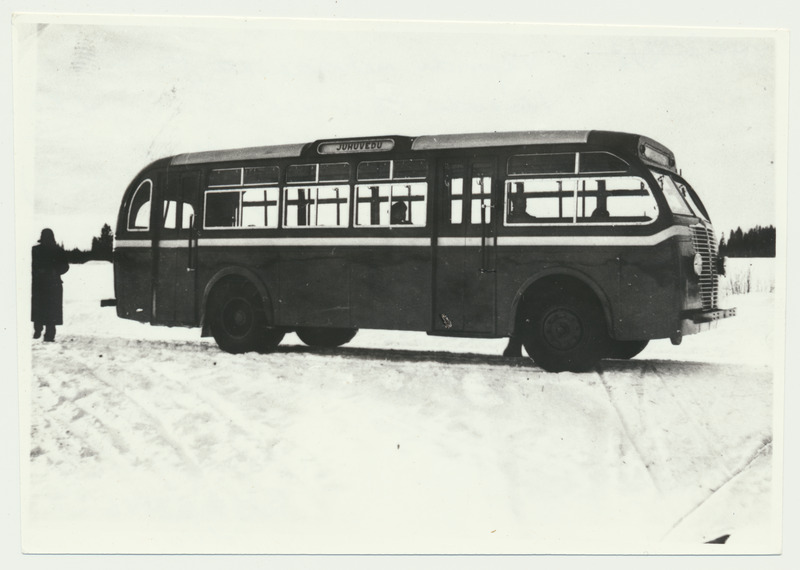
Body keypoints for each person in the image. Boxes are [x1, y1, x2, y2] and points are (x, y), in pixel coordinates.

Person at [31, 228, 69, 342]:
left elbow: (65, 267)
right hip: (51, 284)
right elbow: (65, 267)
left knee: (41, 308)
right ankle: (47, 333)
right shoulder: (57, 250)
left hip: (42, 285)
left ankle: (40, 331)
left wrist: (52, 271)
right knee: (50, 310)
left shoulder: (36, 250)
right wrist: (55, 271)